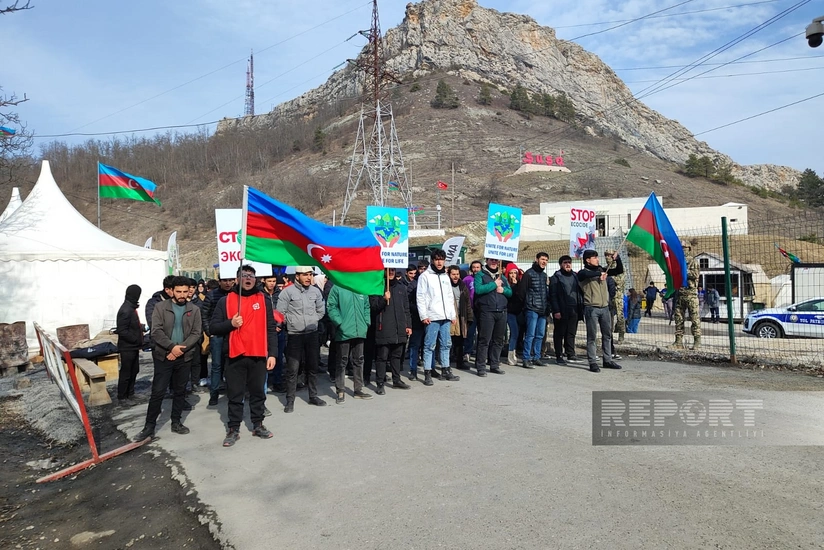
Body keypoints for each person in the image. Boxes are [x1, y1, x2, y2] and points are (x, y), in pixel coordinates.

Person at [209, 265, 278, 447]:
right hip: (235, 355)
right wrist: (230, 324)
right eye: (244, 275)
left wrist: (272, 354)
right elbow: (213, 327)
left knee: (258, 393)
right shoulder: (226, 301)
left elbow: (271, 328)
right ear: (237, 279)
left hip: (258, 355)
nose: (248, 278)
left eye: (251, 276)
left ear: (256, 280)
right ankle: (233, 429)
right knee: (235, 395)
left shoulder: (263, 300)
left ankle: (258, 424)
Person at [134, 276, 202, 441]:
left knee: (180, 391)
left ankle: (176, 422)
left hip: (184, 356)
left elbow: (196, 333)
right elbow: (156, 331)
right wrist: (172, 348)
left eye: (185, 291)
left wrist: (180, 349)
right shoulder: (160, 307)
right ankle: (149, 427)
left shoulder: (194, 309)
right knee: (157, 392)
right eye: (178, 291)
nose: (182, 294)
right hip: (164, 356)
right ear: (171, 291)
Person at [277, 266, 327, 412]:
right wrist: (292, 323)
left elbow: (321, 310)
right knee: (293, 369)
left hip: (312, 334)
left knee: (312, 366)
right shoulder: (287, 292)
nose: (308, 277)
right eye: (305, 275)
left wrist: (313, 320)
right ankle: (290, 400)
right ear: (297, 276)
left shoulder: (315, 291)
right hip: (294, 335)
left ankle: (313, 396)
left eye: (310, 274)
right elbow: (280, 313)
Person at [416, 249, 460, 385]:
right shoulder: (425, 276)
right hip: (433, 316)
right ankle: (428, 372)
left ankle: (446, 369)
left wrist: (452, 314)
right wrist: (424, 315)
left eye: (442, 259)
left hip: (446, 316)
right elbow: (421, 297)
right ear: (432, 260)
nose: (439, 262)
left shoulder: (445, 277)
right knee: (430, 345)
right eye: (437, 259)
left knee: (446, 344)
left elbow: (449, 297)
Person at [327, 283, 373, 403]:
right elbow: (331, 306)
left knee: (359, 360)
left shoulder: (360, 287)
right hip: (344, 331)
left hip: (360, 330)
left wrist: (366, 322)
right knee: (342, 361)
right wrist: (339, 323)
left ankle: (358, 389)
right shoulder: (337, 287)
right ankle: (340, 391)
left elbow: (367, 307)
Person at [578, 250, 622, 373]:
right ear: (587, 260)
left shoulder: (602, 270)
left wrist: (617, 259)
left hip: (605, 308)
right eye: (594, 257)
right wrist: (598, 274)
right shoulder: (584, 273)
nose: (597, 259)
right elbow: (583, 275)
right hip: (591, 308)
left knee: (607, 335)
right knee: (592, 337)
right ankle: (592, 362)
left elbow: (619, 271)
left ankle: (607, 360)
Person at [372, 268, 413, 394]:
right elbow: (373, 307)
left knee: (397, 355)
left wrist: (408, 325)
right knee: (382, 357)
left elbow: (406, 308)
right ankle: (380, 383)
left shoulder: (401, 287)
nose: (391, 273)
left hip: (399, 327)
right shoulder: (377, 286)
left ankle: (396, 380)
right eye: (388, 270)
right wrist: (384, 299)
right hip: (384, 327)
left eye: (393, 270)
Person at [473, 257, 511, 376]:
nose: (494, 262)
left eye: (496, 260)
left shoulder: (502, 276)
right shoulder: (480, 275)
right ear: (487, 260)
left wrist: (503, 290)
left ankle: (494, 364)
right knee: (484, 340)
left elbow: (510, 292)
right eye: (492, 260)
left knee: (498, 340)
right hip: (487, 311)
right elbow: (478, 290)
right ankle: (481, 367)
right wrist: (494, 284)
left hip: (501, 311)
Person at [203, 277, 235, 407]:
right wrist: (209, 331)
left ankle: (232, 391)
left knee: (232, 365)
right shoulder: (211, 295)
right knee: (216, 365)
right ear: (220, 281)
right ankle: (214, 393)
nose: (228, 283)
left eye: (230, 280)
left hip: (232, 333)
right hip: (216, 335)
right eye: (225, 280)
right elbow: (204, 314)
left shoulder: (236, 294)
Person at [517, 252, 550, 368]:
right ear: (537, 259)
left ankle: (537, 357)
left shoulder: (544, 275)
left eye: (546, 260)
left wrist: (547, 307)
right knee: (530, 334)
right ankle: (526, 358)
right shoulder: (529, 274)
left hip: (543, 309)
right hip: (531, 309)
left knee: (540, 334)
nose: (544, 261)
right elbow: (522, 292)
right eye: (542, 259)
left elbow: (545, 293)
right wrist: (526, 305)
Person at [549, 255, 583, 365]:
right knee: (559, 333)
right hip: (561, 310)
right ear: (561, 264)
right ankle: (559, 355)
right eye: (565, 262)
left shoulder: (575, 276)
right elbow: (553, 295)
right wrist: (556, 310)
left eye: (569, 262)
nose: (568, 264)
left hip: (574, 309)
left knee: (571, 333)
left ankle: (570, 353)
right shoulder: (556, 277)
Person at [116, 284, 143, 406]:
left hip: (133, 346)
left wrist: (141, 328)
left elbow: (131, 326)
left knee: (134, 370)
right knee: (126, 371)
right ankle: (122, 396)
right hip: (127, 347)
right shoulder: (125, 310)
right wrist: (135, 339)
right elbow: (122, 330)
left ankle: (131, 393)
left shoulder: (130, 308)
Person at [672, 241, 702, 349]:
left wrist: (683, 271)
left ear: (689, 249)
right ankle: (678, 341)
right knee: (679, 319)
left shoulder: (693, 262)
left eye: (684, 248)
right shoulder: (678, 262)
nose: (683, 250)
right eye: (681, 248)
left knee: (694, 319)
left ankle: (697, 341)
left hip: (691, 294)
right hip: (680, 293)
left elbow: (695, 274)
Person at [261, 274, 287, 394]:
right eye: (269, 281)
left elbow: (284, 310)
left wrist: (279, 325)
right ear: (263, 281)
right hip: (264, 331)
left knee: (278, 357)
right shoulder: (259, 294)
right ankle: (262, 385)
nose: (272, 283)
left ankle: (277, 382)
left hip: (279, 329)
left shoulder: (280, 294)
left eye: (274, 281)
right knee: (263, 358)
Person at [448, 265, 473, 371]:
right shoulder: (446, 285)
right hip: (448, 317)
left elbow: (467, 302)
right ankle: (445, 364)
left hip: (460, 316)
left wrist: (469, 317)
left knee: (460, 341)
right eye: (453, 274)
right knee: (447, 342)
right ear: (449, 274)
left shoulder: (462, 286)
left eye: (457, 274)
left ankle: (459, 362)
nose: (455, 276)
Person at [462, 260, 483, 362]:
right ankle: (467, 352)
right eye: (474, 267)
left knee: (482, 333)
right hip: (470, 309)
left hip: (482, 309)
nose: (476, 269)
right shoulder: (467, 279)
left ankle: (480, 353)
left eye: (478, 267)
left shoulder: (484, 279)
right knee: (470, 332)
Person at [604, 250, 626, 345]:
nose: (607, 258)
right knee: (608, 318)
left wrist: (609, 279)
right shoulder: (605, 269)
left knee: (620, 317)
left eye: (610, 255)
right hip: (608, 296)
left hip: (617, 296)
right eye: (606, 256)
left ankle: (621, 335)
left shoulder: (620, 268)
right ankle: (609, 335)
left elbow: (619, 281)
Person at [504, 263, 523, 366]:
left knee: (519, 333)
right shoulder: (506, 284)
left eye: (514, 273)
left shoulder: (521, 283)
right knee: (514, 332)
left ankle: (515, 351)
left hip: (520, 311)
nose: (513, 275)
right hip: (510, 312)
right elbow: (510, 296)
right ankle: (510, 355)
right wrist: (514, 286)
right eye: (510, 273)